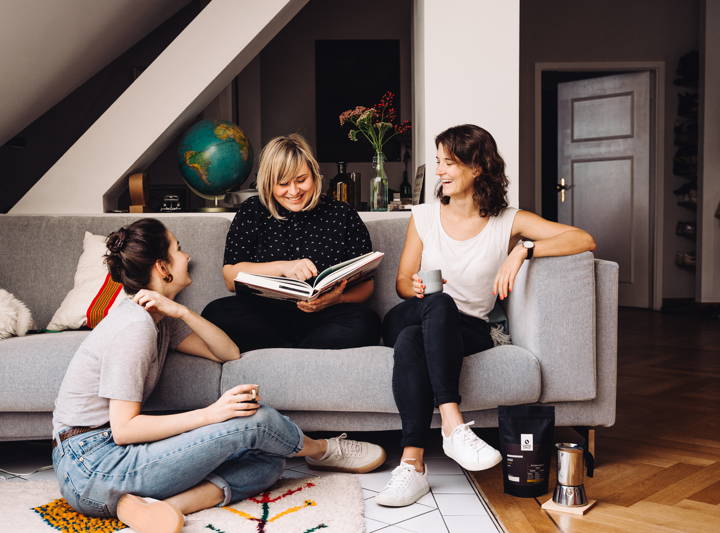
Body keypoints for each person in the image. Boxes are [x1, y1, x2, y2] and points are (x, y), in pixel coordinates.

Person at [51, 218, 386, 533]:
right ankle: (321, 450)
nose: (188, 256)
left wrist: (181, 311)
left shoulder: (159, 316)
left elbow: (227, 352)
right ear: (162, 267)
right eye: (178, 249)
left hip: (101, 466)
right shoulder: (134, 327)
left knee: (268, 462)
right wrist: (213, 414)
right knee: (255, 419)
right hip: (92, 463)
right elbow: (125, 430)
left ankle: (160, 507)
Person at [375, 124, 596, 507]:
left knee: (417, 340)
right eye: (439, 162)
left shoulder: (508, 221)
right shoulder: (424, 216)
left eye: (450, 163)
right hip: (411, 313)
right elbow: (400, 284)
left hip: (467, 327)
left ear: (478, 167)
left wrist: (523, 250)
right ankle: (453, 424)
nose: (440, 171)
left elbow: (583, 238)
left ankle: (412, 466)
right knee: (436, 305)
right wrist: (420, 289)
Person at [202, 133, 380, 352]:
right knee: (216, 312)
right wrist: (284, 267)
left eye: (301, 180)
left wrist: (335, 300)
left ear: (314, 175)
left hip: (325, 315)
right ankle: (304, 352)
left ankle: (287, 353)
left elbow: (367, 286)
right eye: (283, 184)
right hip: (265, 317)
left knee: (366, 321)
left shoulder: (342, 214)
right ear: (268, 183)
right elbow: (231, 278)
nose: (294, 191)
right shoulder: (251, 211)